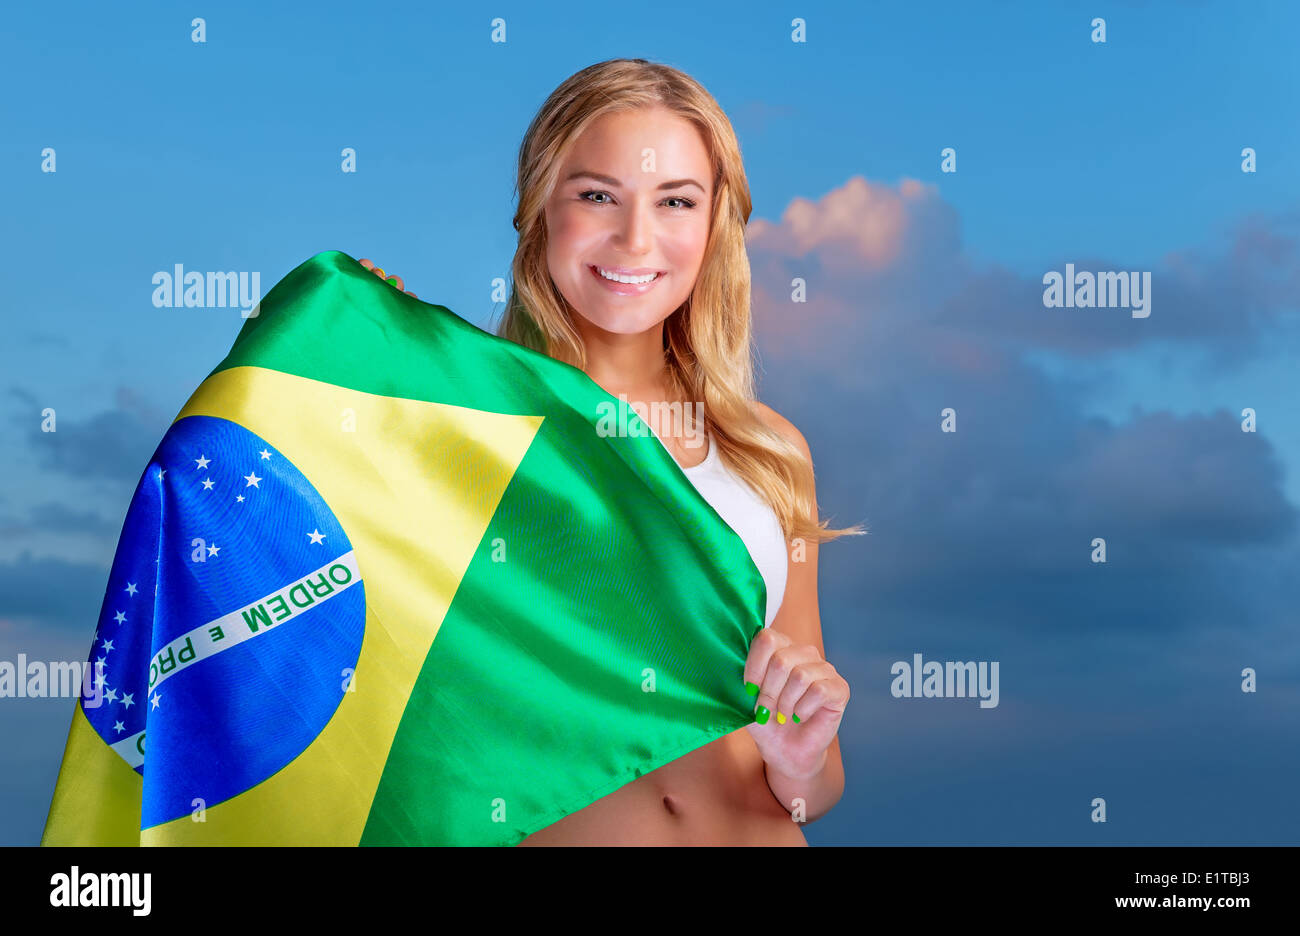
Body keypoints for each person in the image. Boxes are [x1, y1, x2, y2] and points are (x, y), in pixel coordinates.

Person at [361, 58, 861, 846]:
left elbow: (812, 785)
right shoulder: (458, 429)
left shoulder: (769, 452)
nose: (636, 239)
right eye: (597, 195)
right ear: (539, 209)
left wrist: (801, 757)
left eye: (675, 202)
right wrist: (343, 362)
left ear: (714, 224)